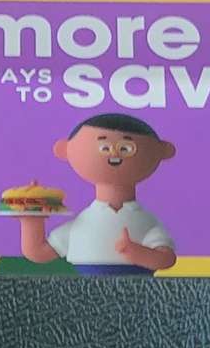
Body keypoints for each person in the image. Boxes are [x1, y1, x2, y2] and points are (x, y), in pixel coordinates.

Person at [18, 114, 178, 273]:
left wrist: (137, 253)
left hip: (140, 290)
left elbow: (166, 258)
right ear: (65, 150)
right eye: (104, 148)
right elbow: (38, 252)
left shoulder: (146, 221)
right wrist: (31, 221)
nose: (114, 155)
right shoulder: (82, 224)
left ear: (162, 151)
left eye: (125, 149)